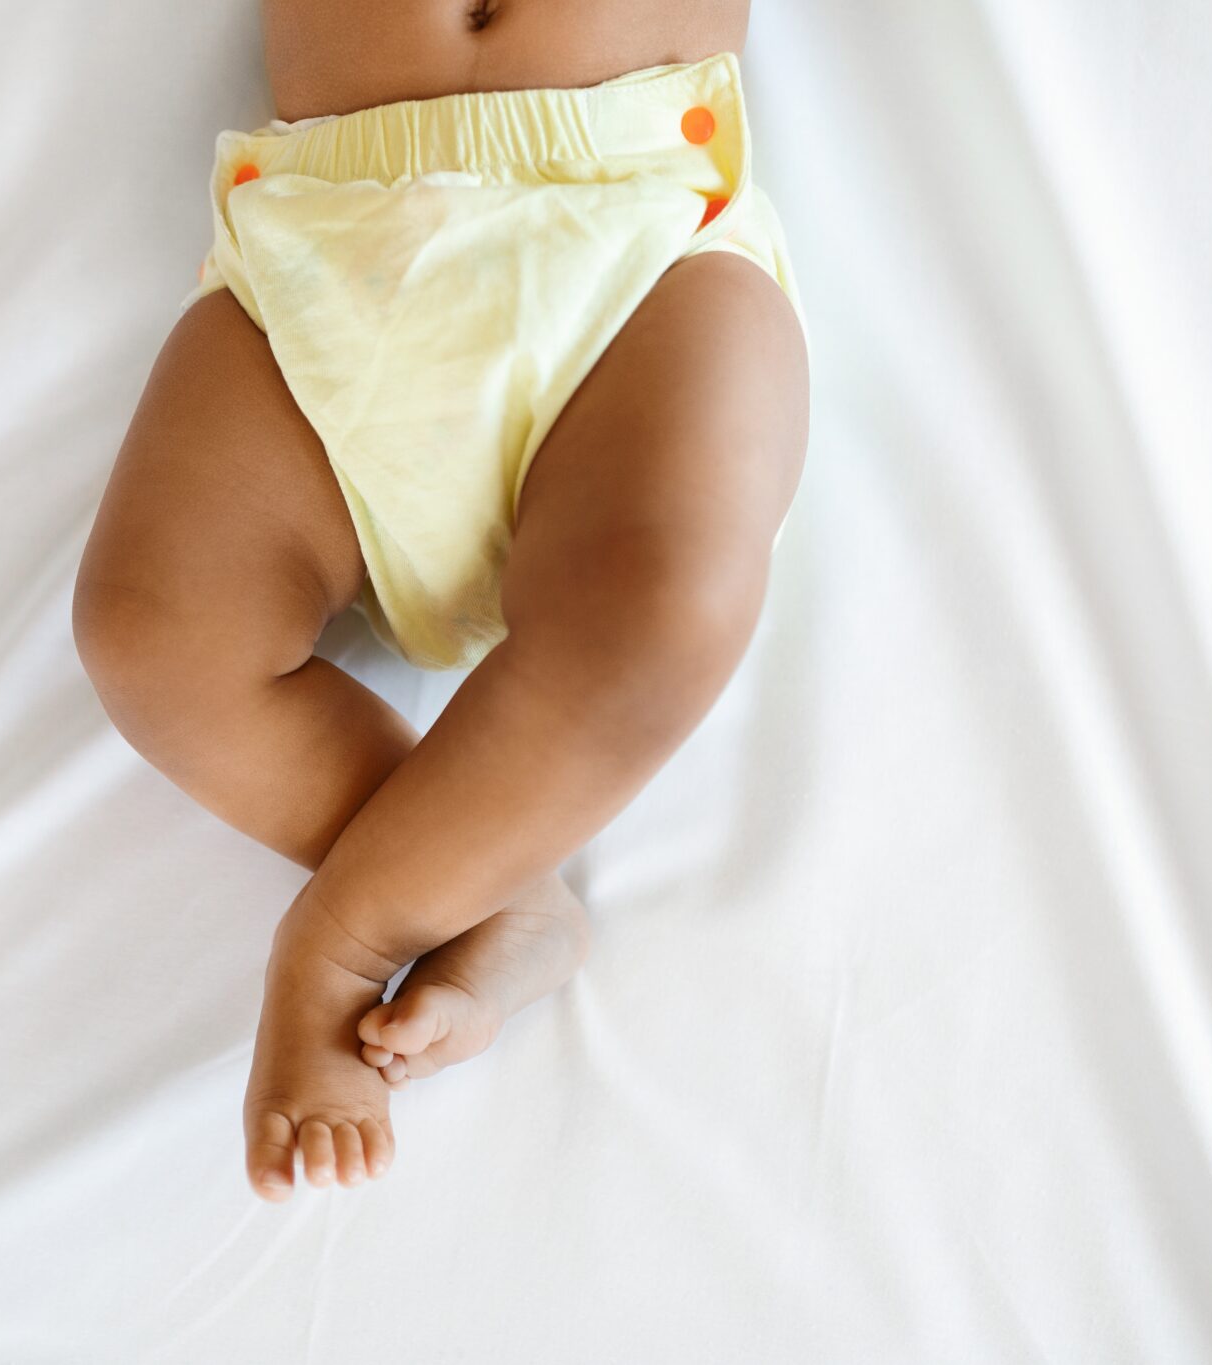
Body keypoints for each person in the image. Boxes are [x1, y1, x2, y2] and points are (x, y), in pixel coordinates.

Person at [73, 0, 809, 1201]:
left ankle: (347, 930)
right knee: (153, 636)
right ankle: (494, 886)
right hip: (325, 250)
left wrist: (349, 938)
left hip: (630, 230)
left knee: (668, 600)